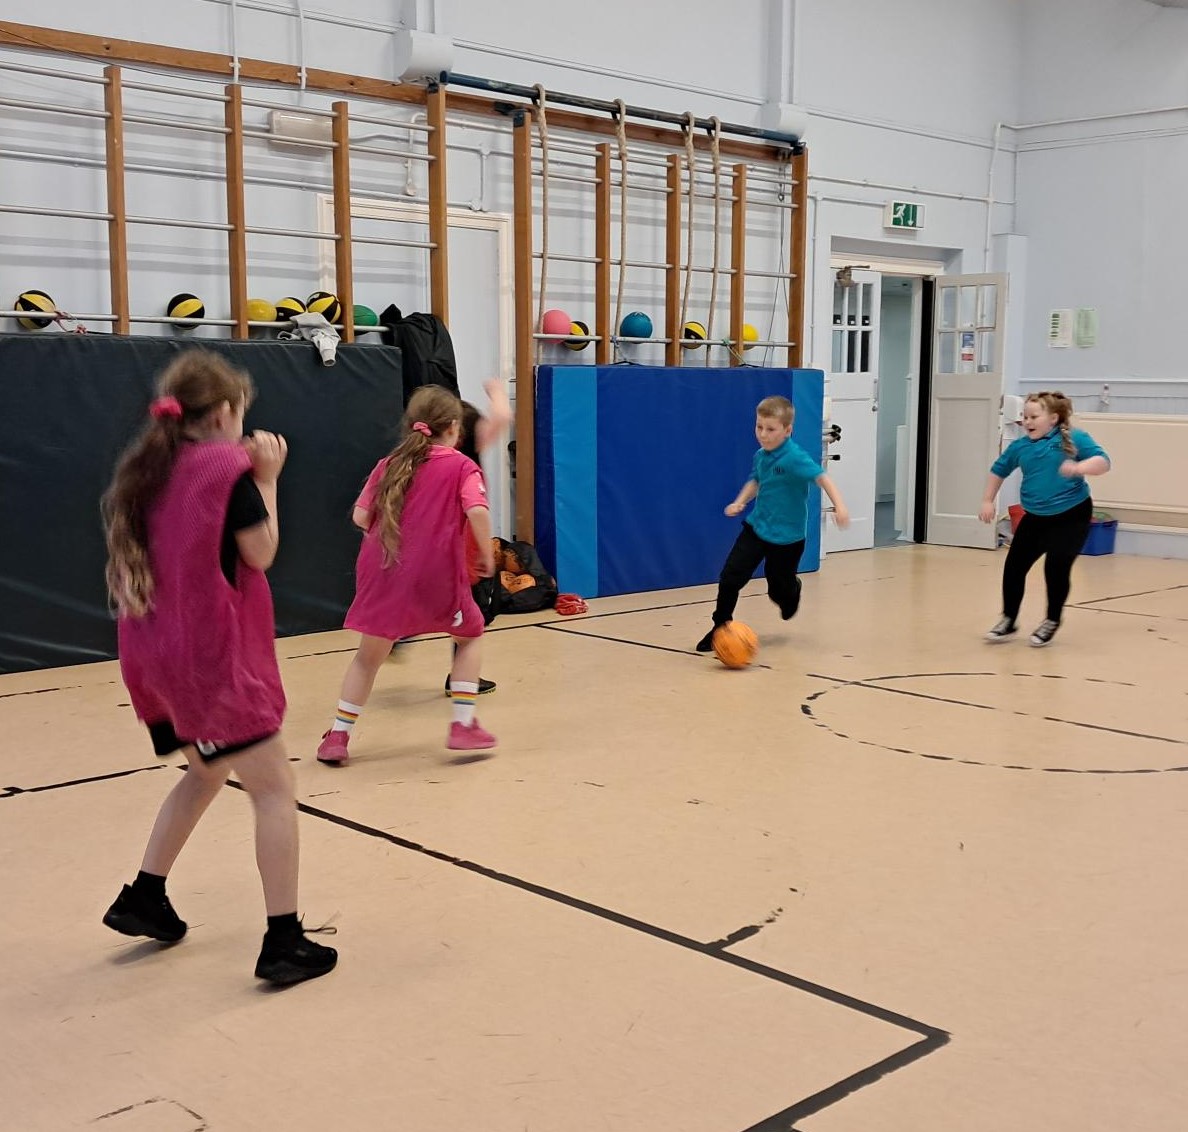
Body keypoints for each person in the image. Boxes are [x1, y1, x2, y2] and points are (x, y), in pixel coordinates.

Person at [101, 349, 337, 986]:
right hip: (208, 662)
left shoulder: (147, 469)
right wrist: (268, 479)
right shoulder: (226, 471)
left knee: (206, 772)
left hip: (154, 660)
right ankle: (283, 940)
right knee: (274, 790)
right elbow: (261, 553)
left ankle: (144, 896)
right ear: (227, 411)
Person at [317, 385, 497, 766]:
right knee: (469, 637)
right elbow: (477, 510)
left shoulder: (389, 464)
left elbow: (360, 517)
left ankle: (338, 735)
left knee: (367, 659)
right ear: (454, 428)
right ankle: (463, 725)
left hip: (383, 573)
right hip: (437, 575)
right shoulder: (462, 466)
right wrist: (485, 553)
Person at [696, 395, 850, 652]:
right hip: (757, 528)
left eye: (770, 429)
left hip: (787, 538)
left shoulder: (794, 458)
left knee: (778, 591)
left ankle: (792, 591)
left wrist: (840, 506)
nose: (763, 435)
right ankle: (720, 626)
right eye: (759, 427)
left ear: (787, 430)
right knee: (730, 577)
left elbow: (822, 478)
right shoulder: (761, 455)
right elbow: (756, 480)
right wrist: (740, 502)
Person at [979, 390, 1110, 647]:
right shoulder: (1021, 446)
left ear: (1053, 418)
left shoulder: (1074, 438)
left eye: (1034, 417)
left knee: (1056, 566)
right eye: (1025, 417)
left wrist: (1079, 467)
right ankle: (1009, 619)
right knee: (1014, 567)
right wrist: (987, 500)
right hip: (1036, 517)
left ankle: (1052, 619)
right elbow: (998, 471)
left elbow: (1103, 462)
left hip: (1072, 515)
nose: (1027, 422)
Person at [446, 377, 513, 696]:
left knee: (432, 605)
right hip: (465, 552)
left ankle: (400, 635)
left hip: (436, 550)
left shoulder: (429, 460)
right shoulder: (468, 463)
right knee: (471, 619)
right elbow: (502, 416)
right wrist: (496, 391)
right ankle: (461, 679)